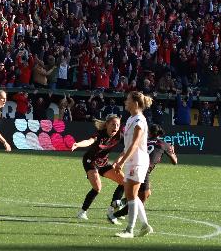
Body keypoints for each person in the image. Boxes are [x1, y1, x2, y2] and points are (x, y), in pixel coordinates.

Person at [112, 125, 178, 220]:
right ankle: (114, 215)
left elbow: (128, 150)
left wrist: (120, 162)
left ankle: (122, 203)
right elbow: (174, 162)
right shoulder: (163, 144)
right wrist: (173, 152)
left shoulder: (142, 142)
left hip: (133, 167)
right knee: (140, 199)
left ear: (149, 133)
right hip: (143, 170)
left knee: (146, 193)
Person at [112, 91, 154, 238]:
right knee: (132, 195)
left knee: (131, 195)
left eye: (128, 100)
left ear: (135, 103)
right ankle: (145, 225)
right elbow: (127, 145)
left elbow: (135, 145)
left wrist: (122, 162)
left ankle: (130, 230)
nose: (125, 102)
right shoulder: (131, 119)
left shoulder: (139, 121)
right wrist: (120, 159)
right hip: (131, 161)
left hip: (138, 162)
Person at [70, 114, 126, 222]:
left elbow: (128, 148)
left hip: (103, 162)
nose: (115, 127)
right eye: (113, 124)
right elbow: (89, 141)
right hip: (90, 161)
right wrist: (77, 144)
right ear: (107, 125)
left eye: (117, 125)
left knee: (124, 182)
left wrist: (119, 161)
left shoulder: (120, 136)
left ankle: (112, 209)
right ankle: (82, 212)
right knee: (97, 188)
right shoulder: (100, 134)